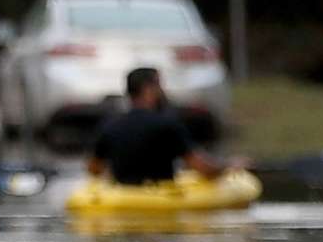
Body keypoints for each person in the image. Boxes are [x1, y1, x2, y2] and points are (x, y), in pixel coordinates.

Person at [87, 67, 231, 185]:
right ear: (148, 89)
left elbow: (94, 168)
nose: (162, 90)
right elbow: (202, 168)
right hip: (161, 199)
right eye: (159, 85)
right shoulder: (167, 125)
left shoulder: (110, 125)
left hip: (122, 197)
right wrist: (228, 166)